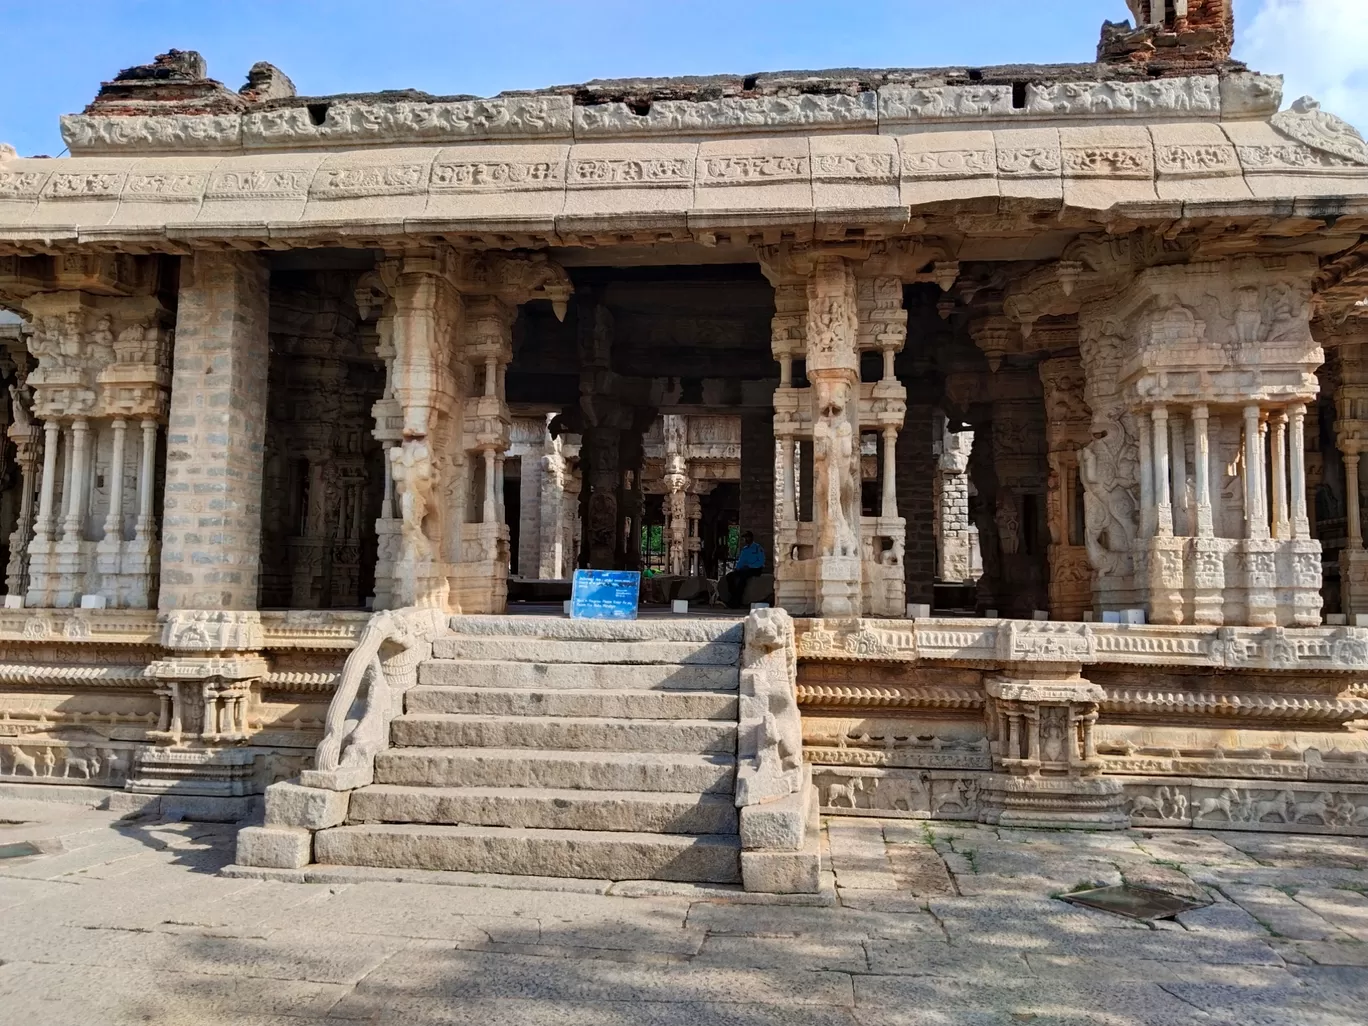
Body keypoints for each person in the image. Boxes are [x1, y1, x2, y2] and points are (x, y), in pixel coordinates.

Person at [722, 531, 765, 609]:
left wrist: (750, 566)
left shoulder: (757, 548)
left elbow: (761, 561)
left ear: (751, 538)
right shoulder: (745, 549)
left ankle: (736, 601)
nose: (746, 539)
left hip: (755, 569)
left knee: (742, 579)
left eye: (747, 537)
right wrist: (737, 569)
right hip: (744, 569)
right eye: (745, 538)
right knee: (730, 576)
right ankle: (734, 597)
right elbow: (741, 561)